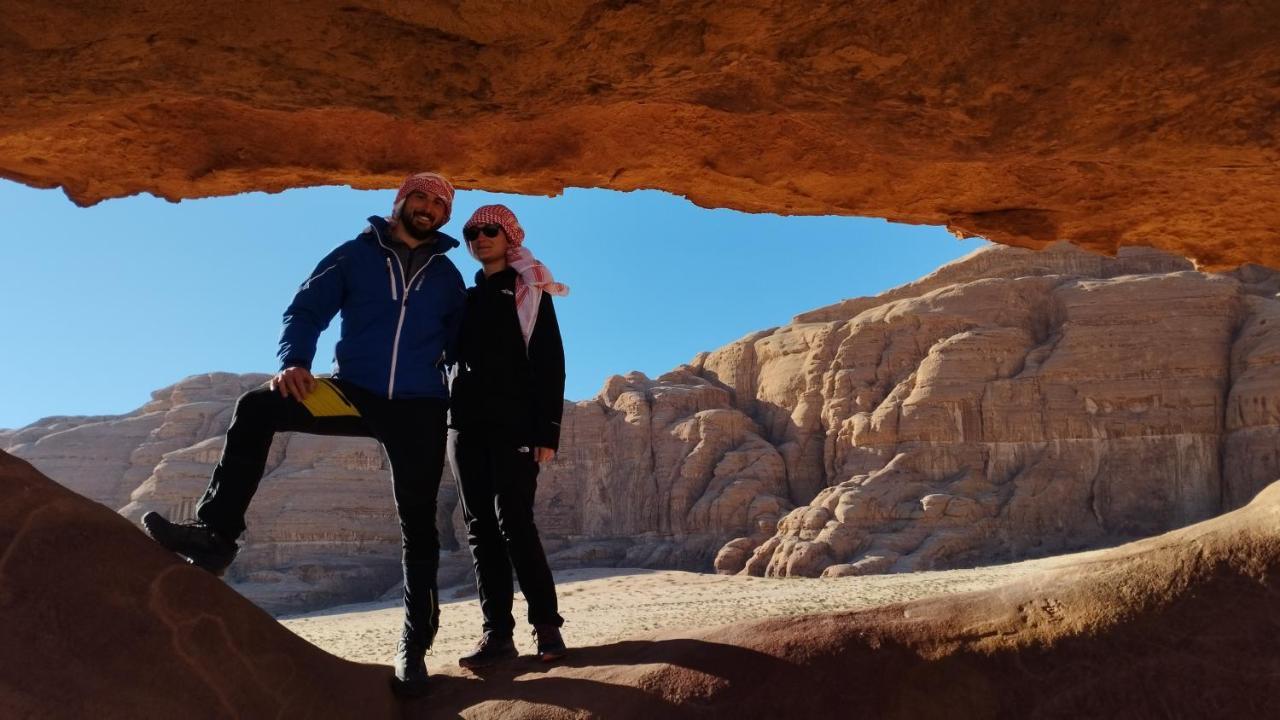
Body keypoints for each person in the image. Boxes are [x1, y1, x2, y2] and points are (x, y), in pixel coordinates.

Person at [140, 172, 465, 697]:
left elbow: (463, 343)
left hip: (419, 408)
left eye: (439, 203)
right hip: (353, 391)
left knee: (419, 528)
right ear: (401, 202)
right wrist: (295, 360)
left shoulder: (448, 277)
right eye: (421, 198)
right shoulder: (356, 254)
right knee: (257, 407)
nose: (428, 207)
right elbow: (307, 308)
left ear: (445, 216)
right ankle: (217, 537)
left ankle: (414, 649)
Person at [448, 204, 569, 668]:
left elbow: (549, 363)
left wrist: (547, 431)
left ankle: (547, 628)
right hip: (462, 425)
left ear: (509, 236)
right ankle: (497, 634)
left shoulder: (530, 292)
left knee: (515, 522)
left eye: (489, 230)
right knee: (479, 530)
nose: (479, 238)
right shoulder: (464, 296)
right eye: (472, 232)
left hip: (514, 424)